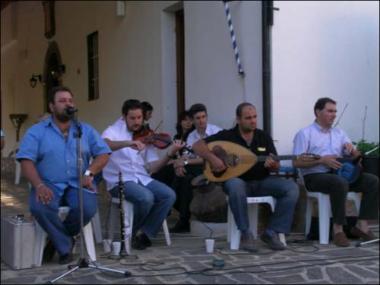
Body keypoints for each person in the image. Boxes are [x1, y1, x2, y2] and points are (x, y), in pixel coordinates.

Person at [16, 86, 111, 264]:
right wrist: (39, 185)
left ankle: (57, 240)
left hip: (79, 183)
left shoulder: (85, 130)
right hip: (48, 183)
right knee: (39, 208)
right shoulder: (37, 131)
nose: (68, 104)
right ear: (51, 107)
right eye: (62, 101)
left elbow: (103, 153)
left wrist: (90, 172)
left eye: (70, 100)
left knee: (87, 208)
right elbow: (26, 160)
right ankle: (65, 244)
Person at [192, 102, 299, 251]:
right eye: (248, 118)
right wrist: (213, 158)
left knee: (291, 188)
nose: (253, 120)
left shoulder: (263, 137)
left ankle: (272, 232)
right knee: (235, 184)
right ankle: (245, 233)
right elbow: (197, 146)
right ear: (238, 119)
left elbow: (276, 163)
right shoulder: (227, 136)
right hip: (238, 183)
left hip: (263, 181)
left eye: (255, 117)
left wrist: (274, 165)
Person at [293, 97, 379, 247]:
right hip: (315, 176)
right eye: (330, 111)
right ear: (318, 112)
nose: (334, 115)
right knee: (339, 182)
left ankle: (362, 225)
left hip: (340, 175)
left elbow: (354, 154)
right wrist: (321, 160)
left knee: (372, 180)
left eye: (335, 112)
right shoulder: (305, 133)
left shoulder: (340, 133)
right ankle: (338, 229)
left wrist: (353, 152)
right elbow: (297, 162)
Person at [101, 99, 184, 250]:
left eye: (139, 118)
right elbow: (104, 144)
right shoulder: (112, 131)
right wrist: (127, 143)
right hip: (119, 181)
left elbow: (153, 167)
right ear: (124, 116)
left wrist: (170, 154)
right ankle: (131, 234)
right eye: (132, 118)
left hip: (142, 178)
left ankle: (145, 233)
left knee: (169, 195)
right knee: (146, 198)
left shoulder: (146, 135)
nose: (137, 122)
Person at [170, 103, 222, 233]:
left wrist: (186, 163)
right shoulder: (191, 136)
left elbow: (214, 158)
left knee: (184, 176)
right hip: (197, 167)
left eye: (204, 117)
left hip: (215, 167)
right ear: (193, 120)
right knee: (179, 176)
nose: (201, 120)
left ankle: (180, 218)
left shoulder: (216, 131)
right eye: (198, 118)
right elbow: (187, 155)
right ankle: (181, 217)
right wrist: (180, 164)